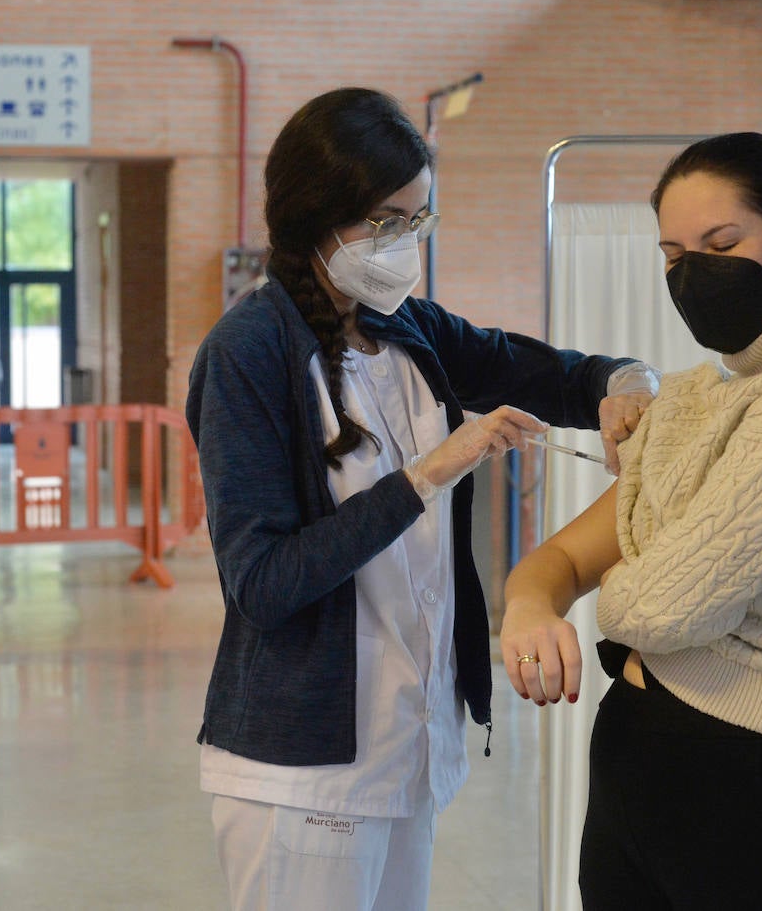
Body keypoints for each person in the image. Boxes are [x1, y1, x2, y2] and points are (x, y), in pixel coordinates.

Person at [186, 87, 657, 911]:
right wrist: (428, 474)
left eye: (419, 220)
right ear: (314, 217)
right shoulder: (247, 354)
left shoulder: (403, 327)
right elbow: (261, 580)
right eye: (386, 221)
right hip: (306, 773)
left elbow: (550, 371)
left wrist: (627, 385)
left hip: (406, 750)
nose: (404, 244)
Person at [500, 132, 762, 909]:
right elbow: (559, 559)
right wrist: (531, 602)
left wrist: (627, 565)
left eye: (720, 243)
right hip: (640, 763)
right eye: (673, 253)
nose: (693, 272)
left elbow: (656, 606)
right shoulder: (692, 398)